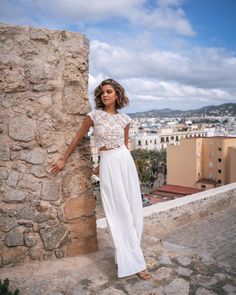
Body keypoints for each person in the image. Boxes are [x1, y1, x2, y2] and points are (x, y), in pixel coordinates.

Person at [50, 78, 151, 280]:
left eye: (109, 92)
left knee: (133, 210)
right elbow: (78, 138)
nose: (105, 95)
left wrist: (100, 163)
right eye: (102, 92)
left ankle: (131, 255)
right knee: (117, 212)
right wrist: (63, 159)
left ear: (117, 95)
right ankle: (135, 262)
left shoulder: (125, 120)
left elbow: (123, 144)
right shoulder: (94, 116)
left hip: (125, 162)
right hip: (110, 164)